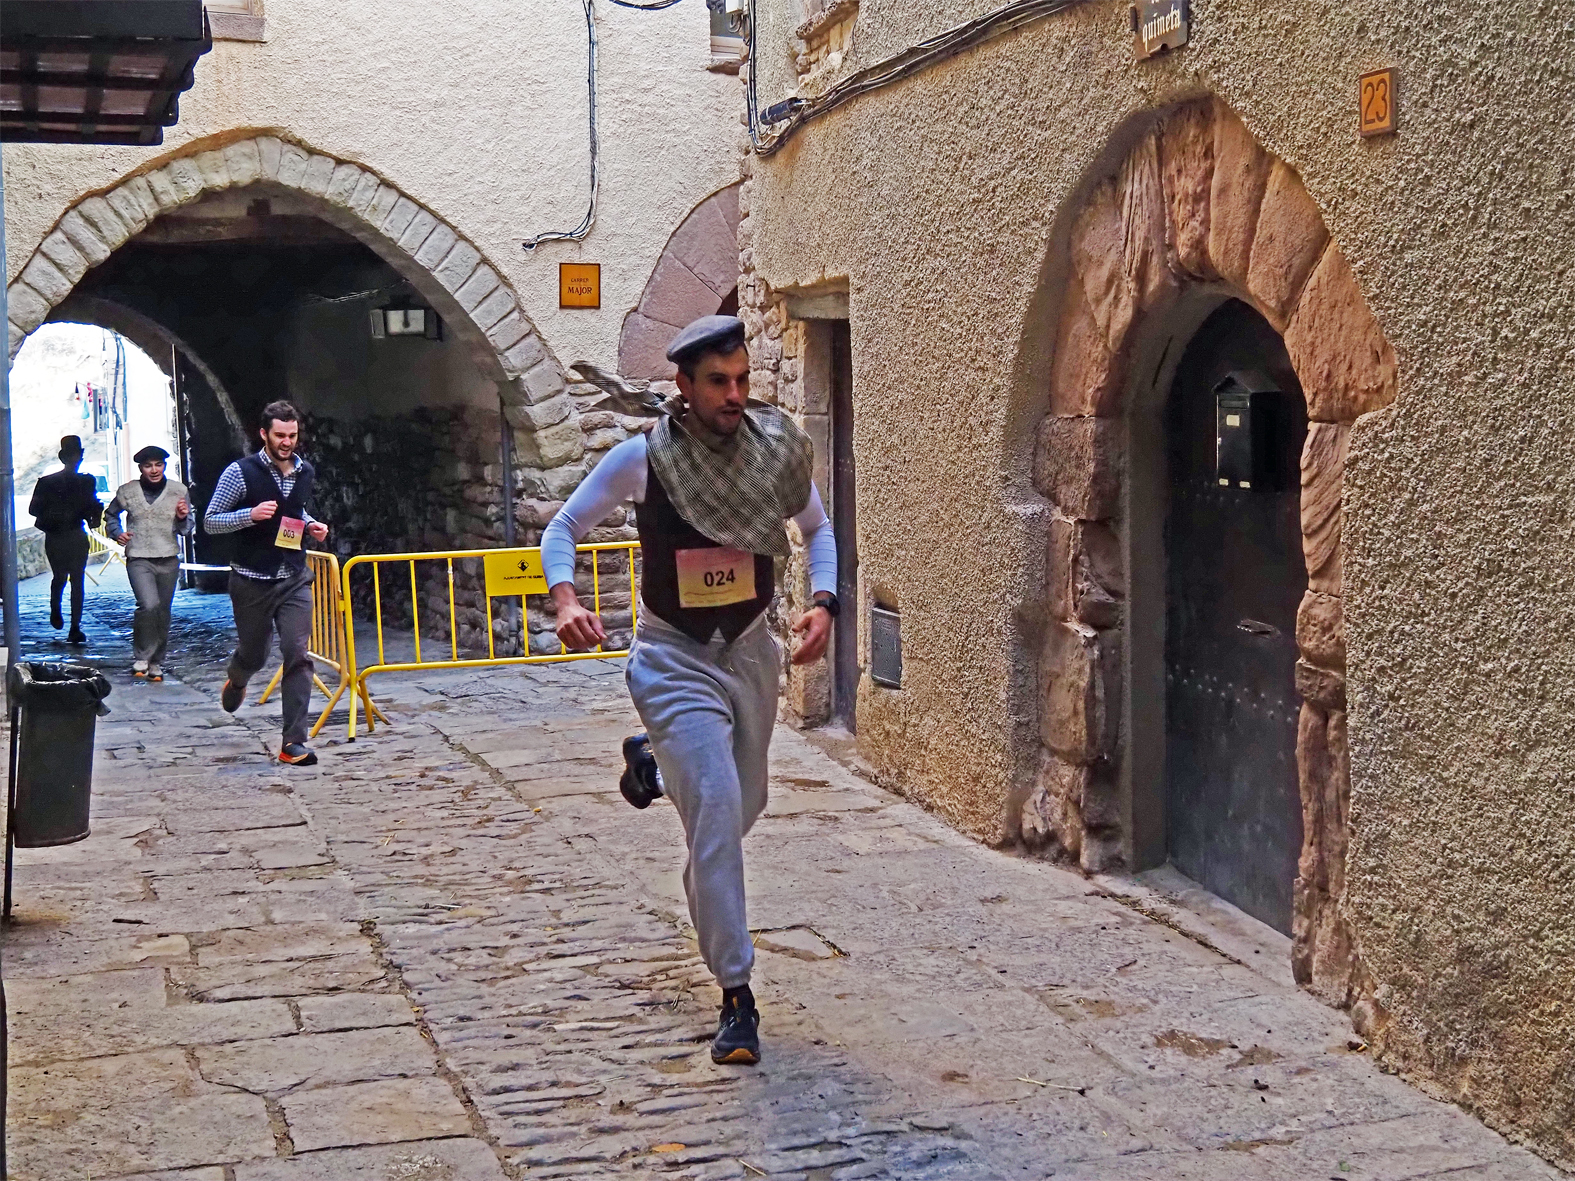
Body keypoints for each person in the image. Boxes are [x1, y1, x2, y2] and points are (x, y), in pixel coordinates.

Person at [540, 314, 838, 1067]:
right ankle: (736, 994)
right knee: (712, 807)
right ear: (683, 385)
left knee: (743, 804)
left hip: (747, 652)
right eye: (718, 382)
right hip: (672, 656)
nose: (734, 394)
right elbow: (563, 526)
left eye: (742, 379)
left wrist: (825, 602)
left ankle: (650, 763)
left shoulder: (772, 451)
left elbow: (817, 527)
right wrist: (566, 599)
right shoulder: (645, 459)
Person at [202, 401, 330, 766]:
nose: (287, 442)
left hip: (294, 577)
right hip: (251, 580)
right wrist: (249, 515)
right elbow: (211, 521)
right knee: (254, 654)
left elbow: (295, 511)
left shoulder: (305, 472)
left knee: (298, 654)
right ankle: (238, 678)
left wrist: (311, 526)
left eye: (292, 435)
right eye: (280, 435)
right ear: (264, 434)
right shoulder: (239, 473)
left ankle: (293, 743)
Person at [104, 445, 193, 682]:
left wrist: (183, 518)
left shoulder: (178, 491)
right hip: (139, 556)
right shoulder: (128, 492)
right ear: (141, 468)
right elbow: (110, 514)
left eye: (158, 464)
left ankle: (156, 661)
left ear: (164, 465)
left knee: (163, 611)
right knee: (149, 604)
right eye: (148, 465)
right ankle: (142, 655)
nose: (154, 470)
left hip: (168, 557)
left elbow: (187, 528)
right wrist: (117, 533)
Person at [28, 435, 102, 644]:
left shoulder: (50, 483)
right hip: (65, 534)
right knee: (68, 579)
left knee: (67, 578)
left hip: (65, 535)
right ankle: (67, 620)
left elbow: (34, 509)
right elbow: (34, 509)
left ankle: (70, 622)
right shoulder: (84, 482)